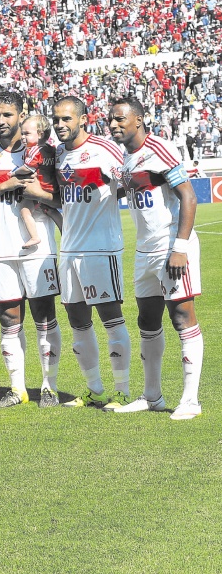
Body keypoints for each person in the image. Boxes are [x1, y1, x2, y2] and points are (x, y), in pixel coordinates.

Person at [0, 92, 62, 409]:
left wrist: (36, 191)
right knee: (9, 318)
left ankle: (48, 387)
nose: (1, 121)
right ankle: (17, 389)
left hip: (38, 247)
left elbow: (60, 197)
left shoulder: (44, 154)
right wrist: (5, 185)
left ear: (22, 115)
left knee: (44, 315)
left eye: (7, 114)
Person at [108, 97, 204, 420]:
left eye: (120, 119)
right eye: (111, 119)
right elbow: (127, 188)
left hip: (171, 246)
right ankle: (152, 397)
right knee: (147, 321)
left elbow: (189, 197)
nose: (114, 124)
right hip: (145, 250)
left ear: (139, 120)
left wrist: (180, 246)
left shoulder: (159, 149)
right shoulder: (125, 157)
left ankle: (191, 401)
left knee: (181, 317)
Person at [52, 95, 132, 410]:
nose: (60, 125)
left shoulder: (103, 149)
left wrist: (113, 189)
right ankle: (95, 390)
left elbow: (127, 179)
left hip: (101, 248)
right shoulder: (57, 155)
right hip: (69, 249)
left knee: (111, 318)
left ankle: (122, 391)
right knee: (77, 320)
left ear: (83, 119)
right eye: (56, 119)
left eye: (66, 119)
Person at [10, 115, 63, 248]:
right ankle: (66, 233)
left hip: (39, 188)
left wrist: (13, 173)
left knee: (25, 211)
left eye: (26, 133)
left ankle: (34, 237)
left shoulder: (35, 150)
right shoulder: (51, 149)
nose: (22, 137)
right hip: (52, 188)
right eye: (22, 133)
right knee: (52, 211)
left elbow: (28, 168)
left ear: (40, 134)